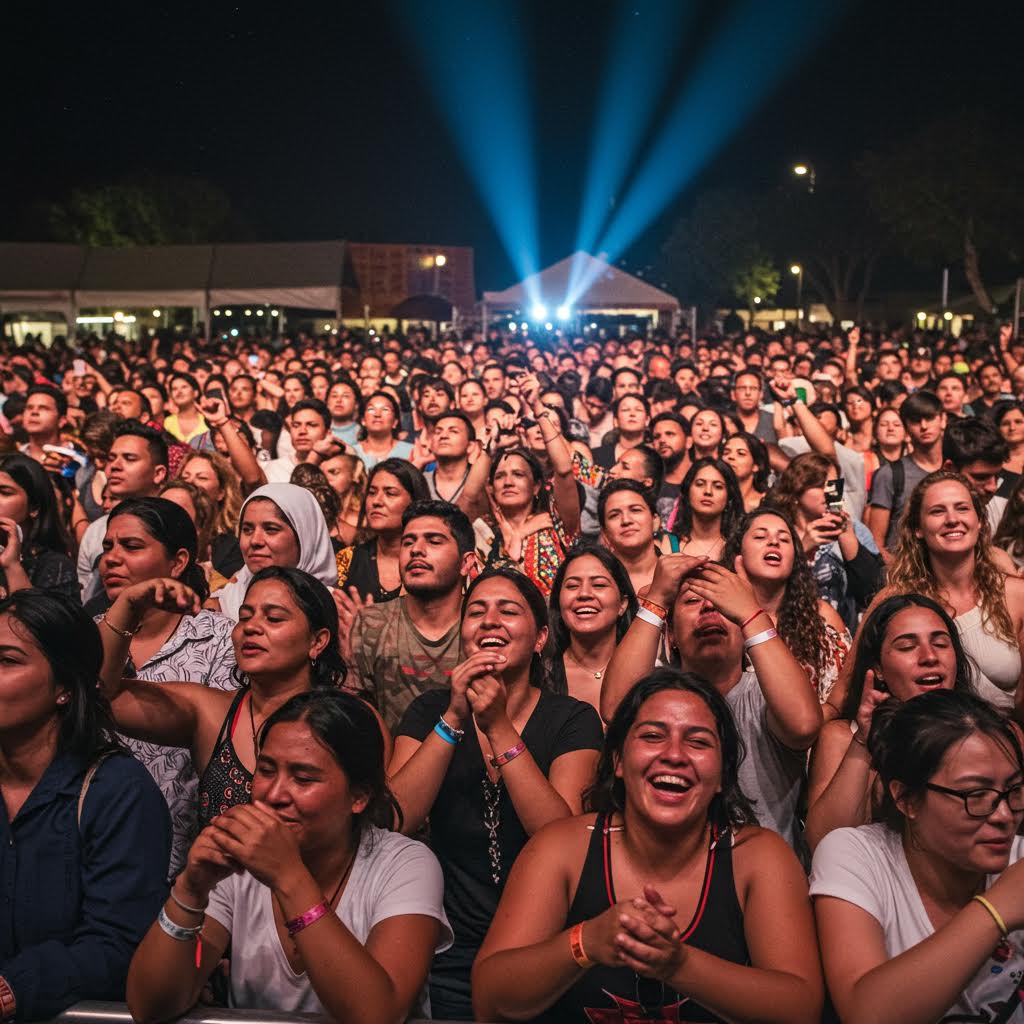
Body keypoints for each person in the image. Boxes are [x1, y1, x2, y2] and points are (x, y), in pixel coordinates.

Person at [473, 669, 823, 1024]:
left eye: (699, 742)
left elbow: (801, 1008)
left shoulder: (757, 856)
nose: (674, 754)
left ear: (721, 775)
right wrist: (585, 942)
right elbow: (490, 999)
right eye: (653, 736)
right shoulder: (563, 848)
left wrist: (679, 964)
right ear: (619, 762)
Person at [126, 690, 451, 1024]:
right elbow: (150, 1006)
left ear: (359, 796)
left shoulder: (404, 865)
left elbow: (378, 1015)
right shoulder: (238, 864)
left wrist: (288, 877)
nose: (275, 794)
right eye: (266, 770)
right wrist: (190, 890)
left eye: (303, 778)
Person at [389, 568, 604, 1019]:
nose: (489, 621)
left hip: (546, 946)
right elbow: (396, 821)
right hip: (448, 948)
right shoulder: (430, 710)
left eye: (508, 611)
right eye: (476, 612)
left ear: (541, 637)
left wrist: (499, 727)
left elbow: (561, 834)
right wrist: (452, 717)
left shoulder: (572, 719)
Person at [0, 590, 170, 1020]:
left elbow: (117, 943)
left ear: (63, 688)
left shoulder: (116, 791)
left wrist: (14, 988)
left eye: (7, 661)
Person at [811, 690, 1024, 1023]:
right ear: (907, 799)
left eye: (1014, 791)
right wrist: (994, 911)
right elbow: (865, 1014)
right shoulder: (856, 857)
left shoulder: (1020, 858)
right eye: (976, 795)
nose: (1003, 815)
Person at [603, 549, 823, 850]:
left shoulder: (763, 693)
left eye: (723, 603)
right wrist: (655, 601)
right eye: (692, 601)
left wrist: (750, 612)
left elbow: (804, 725)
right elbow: (616, 709)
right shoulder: (659, 692)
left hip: (763, 877)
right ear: (672, 638)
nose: (709, 607)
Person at [95, 497, 239, 873]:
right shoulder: (86, 636)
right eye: (107, 547)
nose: (111, 557)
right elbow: (89, 698)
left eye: (132, 546)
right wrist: (126, 605)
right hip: (93, 852)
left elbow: (226, 755)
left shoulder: (219, 640)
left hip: (185, 861)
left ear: (177, 562)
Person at [805, 594, 973, 852]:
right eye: (907, 647)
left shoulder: (985, 734)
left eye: (940, 643)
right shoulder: (843, 736)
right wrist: (862, 740)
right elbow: (824, 842)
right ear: (878, 667)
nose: (929, 656)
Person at [882, 471, 1024, 714]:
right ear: (917, 528)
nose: (952, 519)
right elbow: (846, 695)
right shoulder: (895, 601)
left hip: (1005, 741)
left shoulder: (1015, 594)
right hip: (925, 740)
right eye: (937, 511)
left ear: (979, 521)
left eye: (962, 508)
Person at [344, 500, 476, 730]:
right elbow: (356, 718)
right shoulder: (371, 623)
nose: (416, 549)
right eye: (408, 542)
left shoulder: (482, 626)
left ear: (466, 563)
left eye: (434, 541)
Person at [767, 452, 883, 630]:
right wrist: (802, 548)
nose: (830, 492)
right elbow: (767, 588)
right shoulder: (778, 531)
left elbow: (873, 591)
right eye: (820, 485)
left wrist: (847, 536)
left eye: (834, 484)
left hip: (841, 631)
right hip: (788, 629)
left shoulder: (855, 529)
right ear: (796, 489)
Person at [209, 482, 339, 621]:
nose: (255, 541)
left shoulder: (335, 614)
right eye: (247, 529)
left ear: (305, 536)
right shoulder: (219, 607)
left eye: (271, 529)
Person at [77, 422, 170, 600]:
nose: (114, 466)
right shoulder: (95, 531)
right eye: (111, 458)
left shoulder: (175, 524)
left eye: (129, 458)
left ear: (158, 473)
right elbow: (86, 598)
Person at [548, 542, 636, 713]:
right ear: (559, 602)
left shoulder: (646, 671)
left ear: (623, 604)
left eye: (599, 585)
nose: (584, 594)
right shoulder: (541, 675)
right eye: (572, 586)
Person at [337, 458, 430, 603]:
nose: (377, 501)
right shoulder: (347, 559)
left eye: (390, 493)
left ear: (415, 502)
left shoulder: (433, 560)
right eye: (372, 492)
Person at [866, 390, 946, 555]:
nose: (924, 426)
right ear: (906, 427)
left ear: (943, 420)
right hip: (903, 571)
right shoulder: (889, 474)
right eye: (916, 421)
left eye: (930, 418)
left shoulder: (954, 468)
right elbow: (876, 543)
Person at [0, 452, 76, 599]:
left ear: (34, 506)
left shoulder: (54, 566)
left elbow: (38, 620)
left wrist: (12, 566)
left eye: (4, 493)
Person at [177, 450, 245, 578]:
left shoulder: (233, 542)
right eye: (184, 477)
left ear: (221, 492)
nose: (190, 483)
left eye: (201, 478)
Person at [598, 479, 664, 596]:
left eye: (635, 510)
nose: (626, 520)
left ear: (655, 521)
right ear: (605, 533)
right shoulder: (596, 582)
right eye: (614, 515)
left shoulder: (677, 573)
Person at [668, 457, 744, 560]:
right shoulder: (668, 544)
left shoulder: (739, 549)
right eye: (700, 484)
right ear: (687, 491)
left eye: (718, 486)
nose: (708, 491)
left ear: (729, 497)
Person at [351, 391, 413, 468]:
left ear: (395, 422)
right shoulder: (352, 453)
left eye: (385, 409)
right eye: (371, 409)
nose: (377, 414)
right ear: (363, 420)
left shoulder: (411, 452)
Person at [650, 411, 690, 522]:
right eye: (656, 437)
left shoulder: (703, 479)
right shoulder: (650, 484)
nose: (662, 440)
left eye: (670, 434)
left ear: (689, 441)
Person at [722, 431, 770, 512]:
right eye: (726, 452)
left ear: (756, 466)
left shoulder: (768, 504)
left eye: (741, 453)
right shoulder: (715, 501)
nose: (730, 457)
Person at [163, 373, 208, 444]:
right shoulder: (166, 423)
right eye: (174, 389)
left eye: (184, 387)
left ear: (196, 393)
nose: (179, 392)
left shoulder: (207, 421)